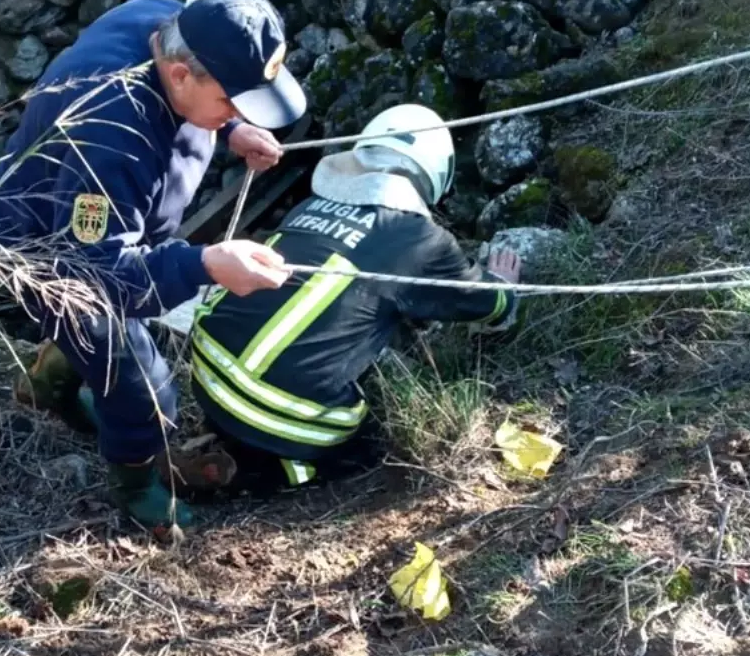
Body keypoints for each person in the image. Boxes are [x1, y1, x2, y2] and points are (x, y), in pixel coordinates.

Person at [0, 0, 307, 532]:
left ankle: (49, 383)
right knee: (148, 392)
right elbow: (96, 277)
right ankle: (136, 491)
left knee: (111, 350)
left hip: (98, 227)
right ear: (179, 76)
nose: (236, 114)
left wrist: (232, 127)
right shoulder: (114, 133)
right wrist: (204, 265)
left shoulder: (165, 20)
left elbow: (206, 86)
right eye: (233, 103)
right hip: (48, 256)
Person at [188, 104, 522, 490]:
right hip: (280, 415)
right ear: (436, 173)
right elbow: (490, 306)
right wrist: (504, 284)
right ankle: (262, 475)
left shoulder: (309, 206)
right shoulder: (421, 238)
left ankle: (226, 444)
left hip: (207, 369)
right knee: (367, 441)